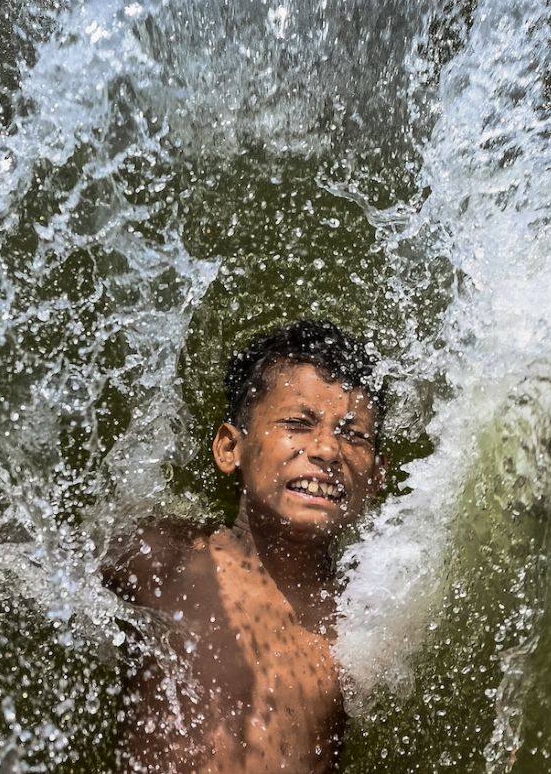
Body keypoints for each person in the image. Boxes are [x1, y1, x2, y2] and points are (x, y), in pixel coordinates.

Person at [103, 320, 385, 773]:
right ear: (229, 447)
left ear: (375, 477)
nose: (327, 450)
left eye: (353, 435)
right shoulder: (172, 559)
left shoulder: (365, 617)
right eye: (298, 422)